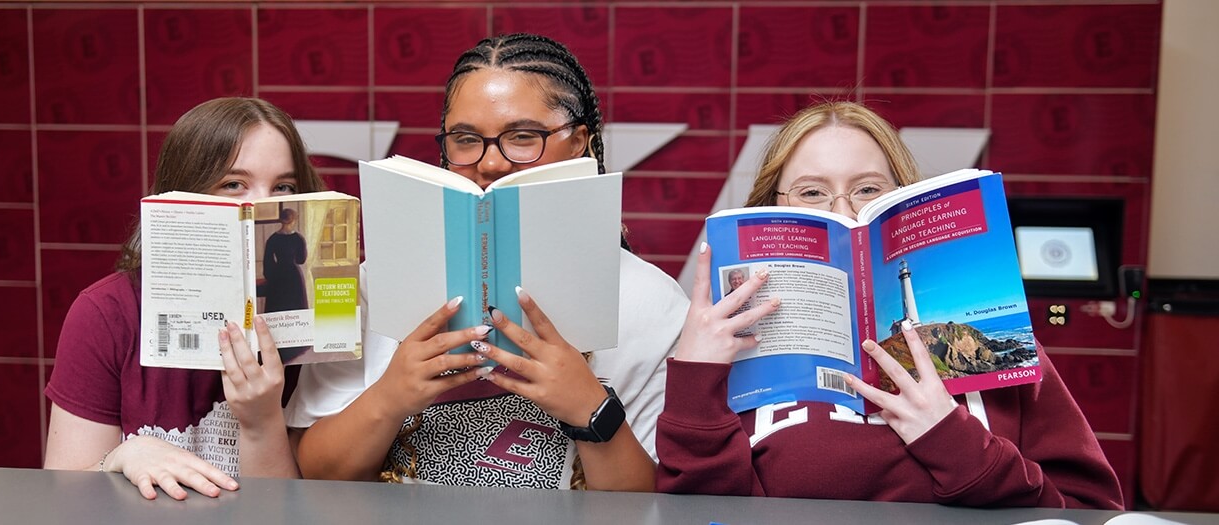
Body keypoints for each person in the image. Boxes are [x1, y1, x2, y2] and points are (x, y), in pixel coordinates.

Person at [655, 101, 1124, 508]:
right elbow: (700, 511)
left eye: (868, 189)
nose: (842, 213)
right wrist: (694, 374)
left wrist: (952, 439)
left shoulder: (1015, 356)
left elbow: (1087, 507)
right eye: (812, 192)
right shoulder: (731, 352)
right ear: (770, 208)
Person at [286, 33, 688, 491]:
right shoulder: (369, 284)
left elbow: (645, 507)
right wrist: (390, 397)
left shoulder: (652, 301)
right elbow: (313, 472)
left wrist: (588, 409)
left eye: (522, 137)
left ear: (579, 143)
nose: (491, 163)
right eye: (466, 139)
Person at [44, 97, 325, 500]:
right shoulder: (105, 315)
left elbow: (288, 514)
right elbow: (59, 500)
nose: (260, 205)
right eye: (233, 185)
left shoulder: (312, 328)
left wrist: (261, 423)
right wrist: (122, 458)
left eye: (283, 187)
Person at [262, 207, 308, 313]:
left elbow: (267, 262)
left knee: (278, 308)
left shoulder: (273, 238)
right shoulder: (298, 238)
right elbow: (301, 260)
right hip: (294, 276)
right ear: (293, 221)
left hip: (277, 276)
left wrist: (272, 276)